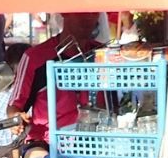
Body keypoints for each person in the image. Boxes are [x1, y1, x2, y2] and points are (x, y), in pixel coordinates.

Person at [8, 12, 100, 146]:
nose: (88, 17)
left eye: (94, 13)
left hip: (98, 142)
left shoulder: (105, 54)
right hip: (47, 143)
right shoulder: (34, 57)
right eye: (81, 13)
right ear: (65, 13)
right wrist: (15, 119)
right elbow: (14, 107)